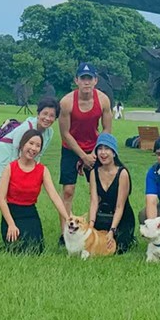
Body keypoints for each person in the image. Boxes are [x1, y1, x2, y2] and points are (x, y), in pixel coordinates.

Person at [0, 128, 71, 253]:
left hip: (30, 213)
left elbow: (54, 196)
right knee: (16, 248)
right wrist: (11, 224)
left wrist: (67, 217)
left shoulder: (42, 170)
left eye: (38, 146)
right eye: (31, 143)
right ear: (22, 144)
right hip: (12, 213)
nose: (33, 148)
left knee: (35, 249)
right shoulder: (10, 168)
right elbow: (1, 199)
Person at [58, 63, 113, 210]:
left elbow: (107, 128)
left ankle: (96, 225)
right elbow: (65, 133)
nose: (86, 82)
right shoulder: (66, 102)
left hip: (94, 149)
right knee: (68, 191)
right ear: (76, 80)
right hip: (71, 148)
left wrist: (94, 153)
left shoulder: (103, 100)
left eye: (90, 78)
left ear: (95, 80)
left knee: (98, 190)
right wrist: (83, 157)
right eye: (83, 78)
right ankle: (66, 230)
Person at [0, 98, 61, 181]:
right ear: (38, 114)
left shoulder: (49, 133)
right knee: (9, 190)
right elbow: (16, 149)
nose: (47, 118)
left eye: (52, 116)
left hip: (14, 160)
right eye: (45, 114)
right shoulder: (26, 127)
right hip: (0, 158)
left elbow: (38, 154)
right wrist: (17, 172)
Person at [87, 132, 136, 253]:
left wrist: (112, 230)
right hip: (103, 215)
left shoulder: (122, 173)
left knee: (118, 249)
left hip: (121, 217)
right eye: (100, 149)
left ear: (114, 153)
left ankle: (129, 238)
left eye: (107, 149)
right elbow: (94, 201)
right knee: (94, 245)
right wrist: (91, 225)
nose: (103, 153)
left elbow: (120, 206)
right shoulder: (94, 172)